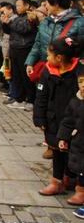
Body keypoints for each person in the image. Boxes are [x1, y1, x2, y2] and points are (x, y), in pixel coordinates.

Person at [33, 37, 82, 197]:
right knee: (57, 150)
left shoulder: (79, 71)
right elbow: (41, 95)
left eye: (49, 55)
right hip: (53, 118)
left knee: (74, 150)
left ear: (59, 57)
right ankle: (56, 181)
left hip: (74, 120)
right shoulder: (48, 71)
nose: (47, 58)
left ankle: (71, 179)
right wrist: (39, 117)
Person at [26, 0, 84, 81]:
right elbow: (37, 44)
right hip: (47, 69)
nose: (45, 5)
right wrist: (30, 62)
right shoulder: (45, 22)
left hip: (68, 73)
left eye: (47, 2)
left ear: (56, 4)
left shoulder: (79, 22)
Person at [2, 0, 38, 109]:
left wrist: (10, 22)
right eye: (16, 5)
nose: (16, 8)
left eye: (19, 5)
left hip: (25, 49)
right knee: (16, 76)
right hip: (15, 49)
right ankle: (20, 99)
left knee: (26, 77)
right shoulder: (17, 18)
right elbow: (9, 31)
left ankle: (31, 100)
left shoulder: (31, 17)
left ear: (27, 5)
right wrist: (5, 23)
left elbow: (24, 29)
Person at [57, 65, 84, 210]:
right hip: (78, 142)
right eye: (80, 82)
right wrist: (63, 138)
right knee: (79, 167)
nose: (83, 86)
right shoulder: (75, 101)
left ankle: (81, 191)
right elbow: (68, 121)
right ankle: (79, 189)